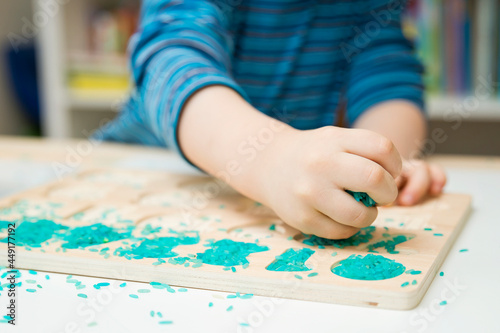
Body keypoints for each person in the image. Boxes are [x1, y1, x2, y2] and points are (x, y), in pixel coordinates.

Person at [101, 0, 447, 239]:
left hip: (286, 185)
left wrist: (378, 161)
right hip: (148, 173)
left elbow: (385, 69)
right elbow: (172, 58)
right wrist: (268, 156)